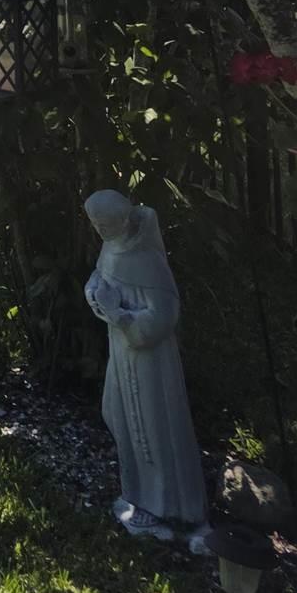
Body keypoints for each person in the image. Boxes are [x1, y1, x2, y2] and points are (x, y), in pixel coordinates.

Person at [83, 189, 207, 537]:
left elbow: (164, 316)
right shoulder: (113, 248)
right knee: (119, 414)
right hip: (123, 353)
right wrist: (94, 293)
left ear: (123, 219)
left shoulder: (146, 260)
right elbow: (99, 277)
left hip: (150, 362)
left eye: (105, 223)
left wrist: (120, 316)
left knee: (154, 427)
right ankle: (137, 493)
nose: (100, 230)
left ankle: (163, 505)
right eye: (96, 224)